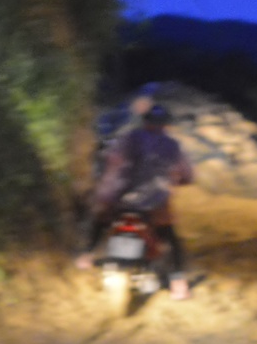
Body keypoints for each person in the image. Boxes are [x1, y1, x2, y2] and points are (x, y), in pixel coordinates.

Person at [76, 103, 193, 299]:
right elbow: (187, 175)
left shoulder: (128, 138)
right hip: (154, 203)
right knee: (170, 237)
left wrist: (106, 196)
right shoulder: (172, 146)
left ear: (144, 121)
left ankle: (86, 255)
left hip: (121, 201)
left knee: (101, 219)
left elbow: (113, 166)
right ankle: (178, 283)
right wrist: (178, 180)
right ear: (165, 125)